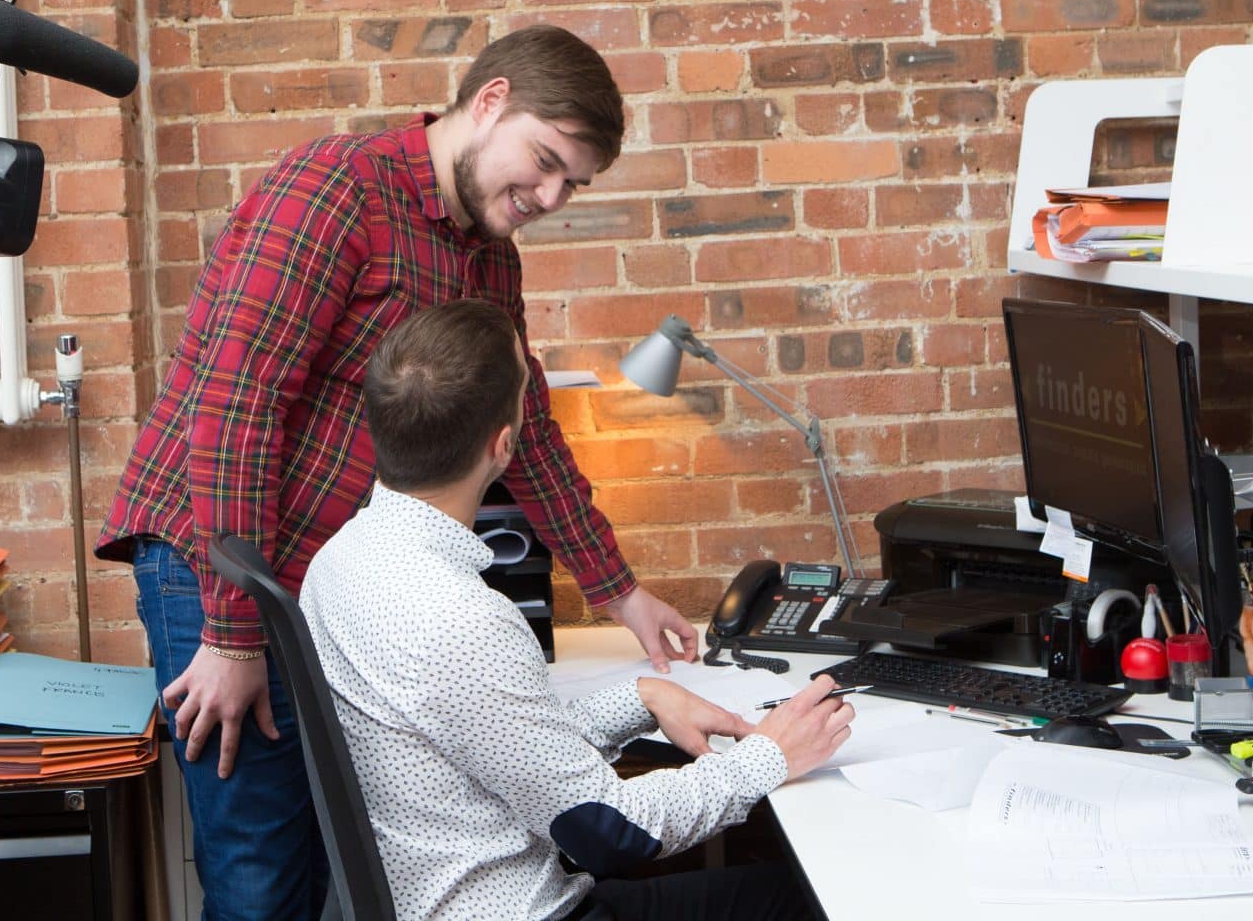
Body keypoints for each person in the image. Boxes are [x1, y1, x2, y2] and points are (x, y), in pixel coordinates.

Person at [98, 24, 701, 919]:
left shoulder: (488, 256)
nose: (549, 196)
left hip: (312, 582)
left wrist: (621, 593)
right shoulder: (336, 192)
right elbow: (236, 406)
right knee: (262, 878)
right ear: (489, 101)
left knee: (316, 870)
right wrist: (230, 634)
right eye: (544, 162)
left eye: (571, 183)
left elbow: (527, 428)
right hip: (216, 566)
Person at [302, 299, 849, 920]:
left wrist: (641, 698)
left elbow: (503, 739)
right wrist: (769, 756)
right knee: (803, 901)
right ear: (504, 445)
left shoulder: (337, 561)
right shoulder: (463, 620)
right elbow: (607, 831)